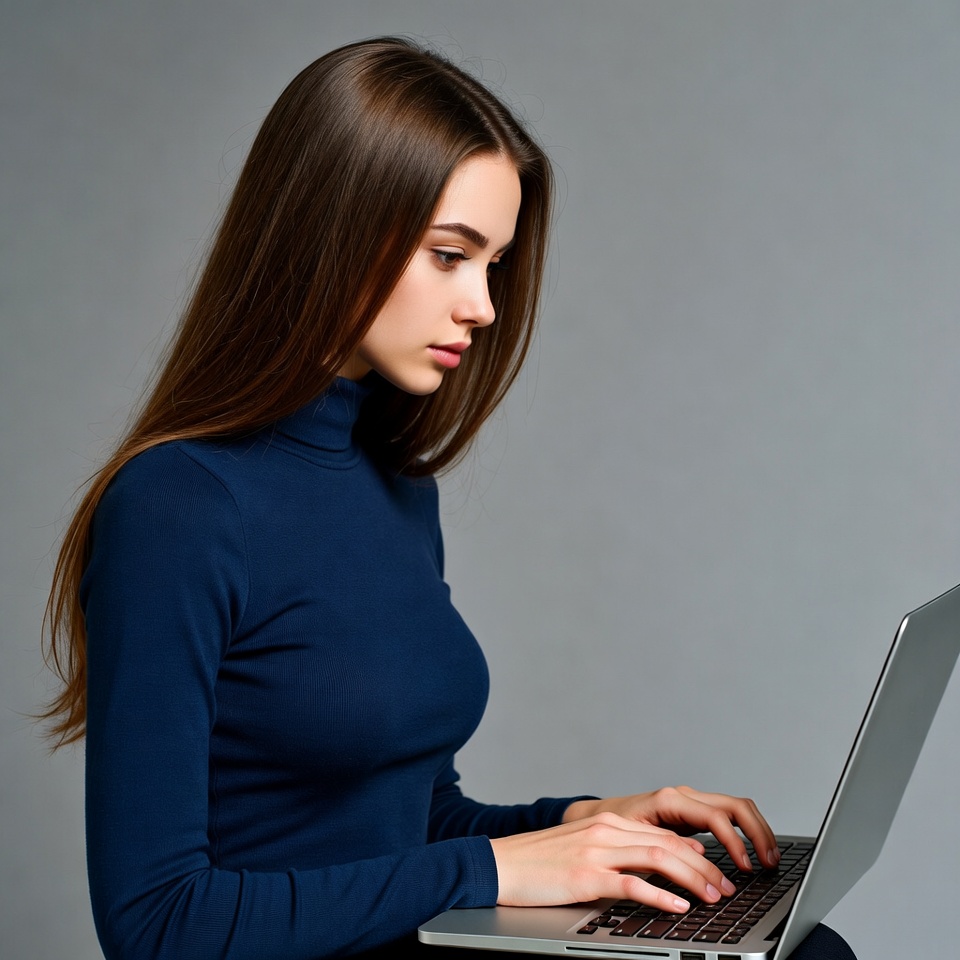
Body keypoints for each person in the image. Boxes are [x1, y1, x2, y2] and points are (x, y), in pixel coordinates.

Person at [42, 37, 857, 960]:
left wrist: (590, 826)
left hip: (414, 938)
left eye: (493, 264)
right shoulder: (175, 506)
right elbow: (155, 925)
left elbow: (413, 815)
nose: (483, 305)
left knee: (805, 946)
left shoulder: (393, 485)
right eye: (448, 255)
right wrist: (503, 870)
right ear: (332, 228)